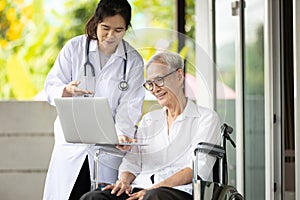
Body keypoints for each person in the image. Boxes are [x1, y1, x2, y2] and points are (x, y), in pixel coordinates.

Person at [80, 51, 221, 200]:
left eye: (159, 80)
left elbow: (198, 169)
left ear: (179, 76)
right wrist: (124, 181)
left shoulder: (206, 118)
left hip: (180, 191)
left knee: (153, 197)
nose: (154, 89)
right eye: (150, 84)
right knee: (94, 197)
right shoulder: (149, 120)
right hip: (141, 188)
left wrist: (152, 189)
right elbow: (133, 162)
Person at [43, 0, 145, 199]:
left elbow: (130, 105)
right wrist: (66, 90)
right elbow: (50, 86)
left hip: (107, 147)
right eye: (105, 28)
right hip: (73, 142)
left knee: (96, 196)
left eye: (118, 30)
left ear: (126, 29)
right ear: (96, 22)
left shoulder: (132, 60)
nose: (110, 35)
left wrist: (122, 133)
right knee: (69, 193)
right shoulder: (75, 48)